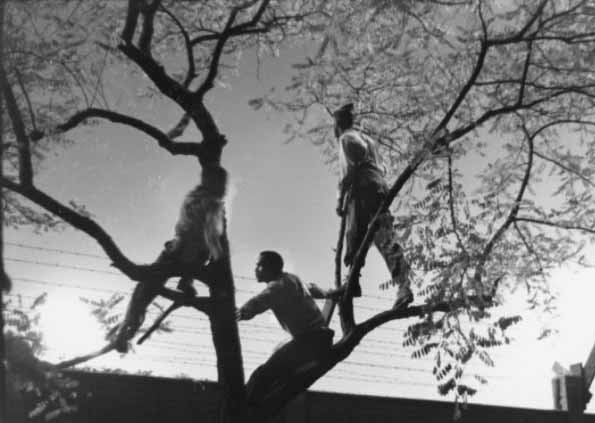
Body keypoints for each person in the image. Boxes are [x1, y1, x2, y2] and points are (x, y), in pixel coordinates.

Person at [111, 166, 227, 353]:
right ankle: (127, 330)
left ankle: (127, 330)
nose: (224, 187)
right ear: (216, 182)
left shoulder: (193, 196)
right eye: (222, 183)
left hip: (175, 249)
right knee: (146, 289)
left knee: (144, 291)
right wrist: (220, 257)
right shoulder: (213, 203)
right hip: (191, 254)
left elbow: (186, 226)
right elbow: (212, 235)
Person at [333, 102, 413, 310]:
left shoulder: (347, 137)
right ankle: (354, 282)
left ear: (339, 124)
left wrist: (340, 198)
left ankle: (399, 286)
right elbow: (382, 168)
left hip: (363, 190)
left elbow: (351, 166)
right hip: (377, 187)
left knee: (370, 237)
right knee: (368, 237)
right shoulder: (368, 140)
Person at [236, 251, 334, 402]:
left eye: (259, 265)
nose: (256, 269)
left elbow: (258, 302)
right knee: (276, 356)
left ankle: (243, 407)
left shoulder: (277, 287)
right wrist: (331, 292)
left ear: (270, 268)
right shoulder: (291, 278)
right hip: (319, 338)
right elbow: (311, 290)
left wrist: (238, 313)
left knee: (261, 375)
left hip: (310, 342)